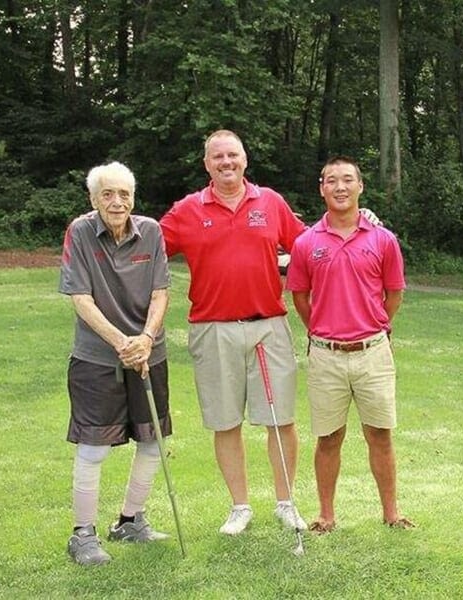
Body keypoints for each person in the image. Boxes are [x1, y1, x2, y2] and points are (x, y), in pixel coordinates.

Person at [158, 130, 308, 535]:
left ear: (245, 159)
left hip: (268, 328)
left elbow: (308, 242)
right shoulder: (188, 209)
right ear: (206, 164)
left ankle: (286, 502)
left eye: (233, 155)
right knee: (225, 422)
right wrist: (102, 222)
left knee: (281, 419)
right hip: (213, 329)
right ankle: (239, 507)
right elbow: (147, 244)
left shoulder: (270, 202)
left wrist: (355, 221)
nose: (226, 162)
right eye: (218, 156)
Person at [285, 156, 416, 533]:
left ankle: (391, 513)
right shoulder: (307, 242)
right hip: (326, 357)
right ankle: (326, 515)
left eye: (347, 180)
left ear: (360, 187)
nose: (340, 187)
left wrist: (373, 327)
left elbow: (394, 294)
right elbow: (301, 298)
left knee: (380, 435)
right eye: (331, 181)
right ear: (321, 188)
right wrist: (324, 331)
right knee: (328, 438)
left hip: (373, 353)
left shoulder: (383, 239)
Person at [59, 161, 172, 565]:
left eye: (124, 193)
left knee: (152, 440)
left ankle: (130, 520)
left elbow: (161, 292)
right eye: (107, 193)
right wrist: (121, 342)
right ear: (93, 199)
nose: (117, 201)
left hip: (148, 353)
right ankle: (83, 535)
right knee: (94, 447)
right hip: (97, 358)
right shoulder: (80, 232)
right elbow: (81, 299)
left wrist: (144, 339)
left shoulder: (152, 232)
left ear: (134, 198)